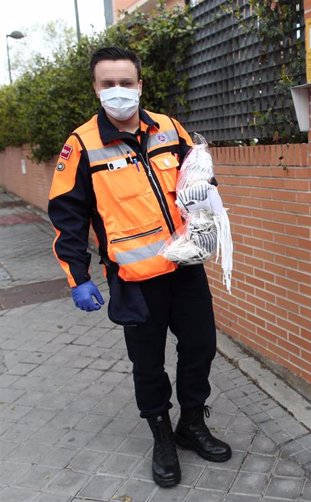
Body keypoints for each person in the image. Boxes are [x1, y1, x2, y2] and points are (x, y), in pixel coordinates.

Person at [48, 46, 231, 488]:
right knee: (148, 365)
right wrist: (78, 277)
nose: (118, 91)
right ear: (95, 88)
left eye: (125, 82)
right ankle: (162, 436)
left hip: (185, 268)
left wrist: (206, 198)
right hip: (133, 280)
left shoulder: (168, 128)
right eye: (108, 83)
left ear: (140, 85)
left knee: (201, 348)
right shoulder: (82, 145)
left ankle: (191, 423)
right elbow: (66, 216)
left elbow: (198, 179)